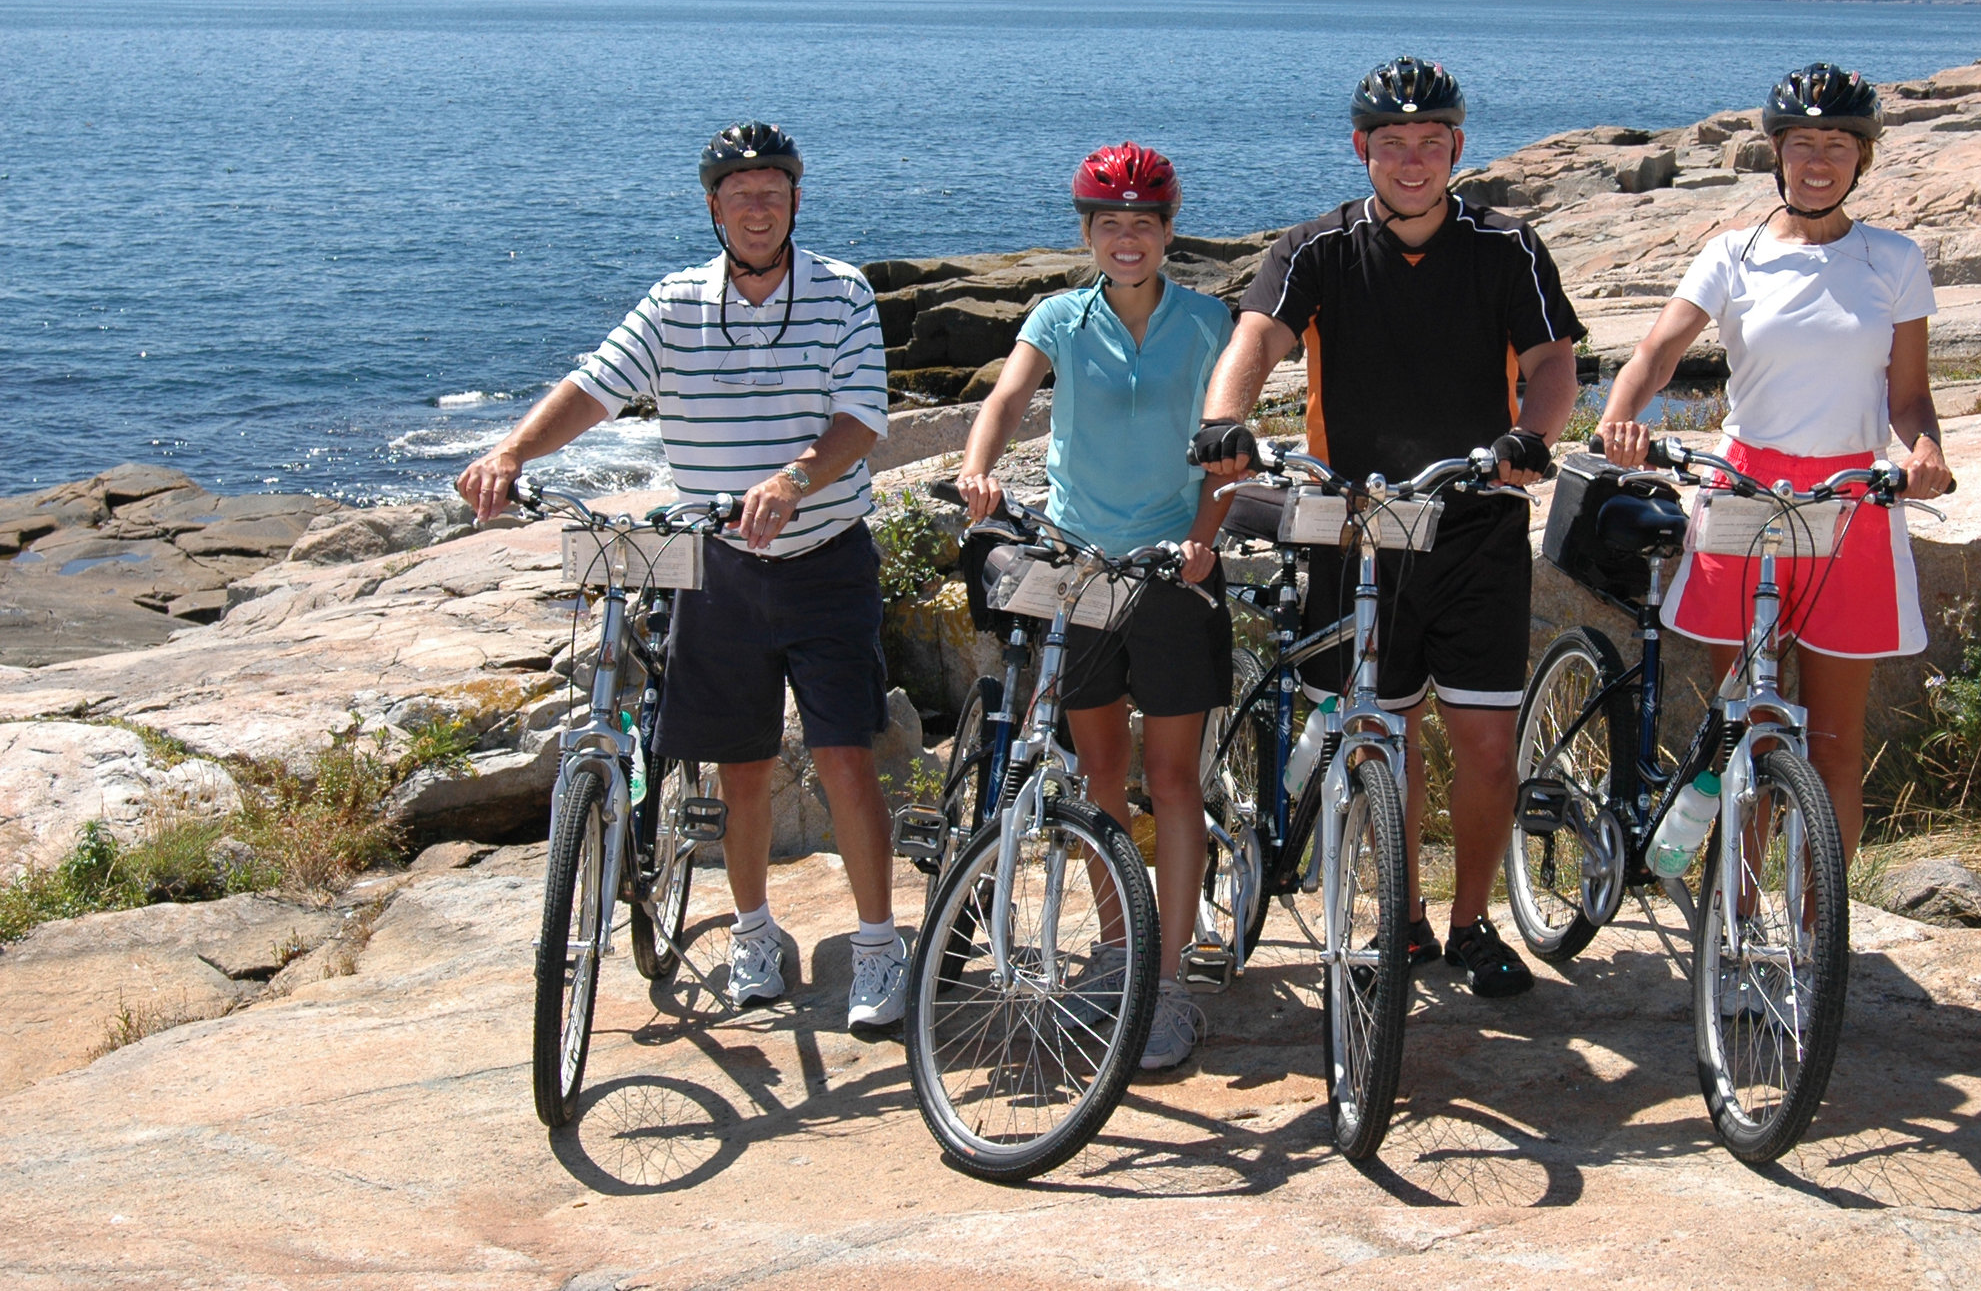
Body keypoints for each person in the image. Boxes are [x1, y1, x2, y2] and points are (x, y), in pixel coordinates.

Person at [457, 121, 909, 1033]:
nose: (756, 207)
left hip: (825, 558)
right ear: (712, 206)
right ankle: (751, 932)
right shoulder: (672, 302)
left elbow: (862, 417)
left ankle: (876, 945)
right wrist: (509, 450)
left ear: (794, 202)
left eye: (772, 193)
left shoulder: (842, 293)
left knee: (845, 758)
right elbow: (596, 387)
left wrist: (793, 479)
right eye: (739, 194)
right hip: (714, 566)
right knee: (739, 768)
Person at [1192, 58, 1583, 999]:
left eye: (1431, 143)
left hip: (1473, 519)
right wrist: (1223, 420)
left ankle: (1471, 920)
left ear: (1457, 147)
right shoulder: (1313, 249)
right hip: (1356, 523)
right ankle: (1399, 919)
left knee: (1487, 746)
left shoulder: (1507, 246)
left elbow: (1552, 359)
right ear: (1361, 148)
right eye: (1393, 143)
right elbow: (1256, 339)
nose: (1412, 161)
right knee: (1382, 736)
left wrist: (1532, 435)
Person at [1596, 64, 1953, 866]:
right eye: (1801, 144)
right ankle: (1741, 920)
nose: (1817, 161)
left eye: (1837, 144)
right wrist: (1622, 415)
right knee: (1747, 722)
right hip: (1746, 488)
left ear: (1862, 157)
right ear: (1776, 152)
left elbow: (1910, 396)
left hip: (1850, 496)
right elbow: (1657, 351)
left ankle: (1818, 937)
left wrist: (1925, 449)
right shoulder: (1734, 254)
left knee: (1832, 743)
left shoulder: (1893, 261)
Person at [954, 142, 1235, 1071]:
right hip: (1078, 571)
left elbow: (1226, 450)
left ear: (1167, 233)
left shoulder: (1206, 322)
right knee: (1100, 777)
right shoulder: (1060, 317)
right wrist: (979, 467)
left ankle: (1172, 977)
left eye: (1144, 225)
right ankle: (1121, 955)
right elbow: (1006, 396)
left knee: (1177, 777)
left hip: (1173, 571)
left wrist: (1205, 534)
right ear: (1087, 234)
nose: (1127, 239)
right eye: (1109, 225)